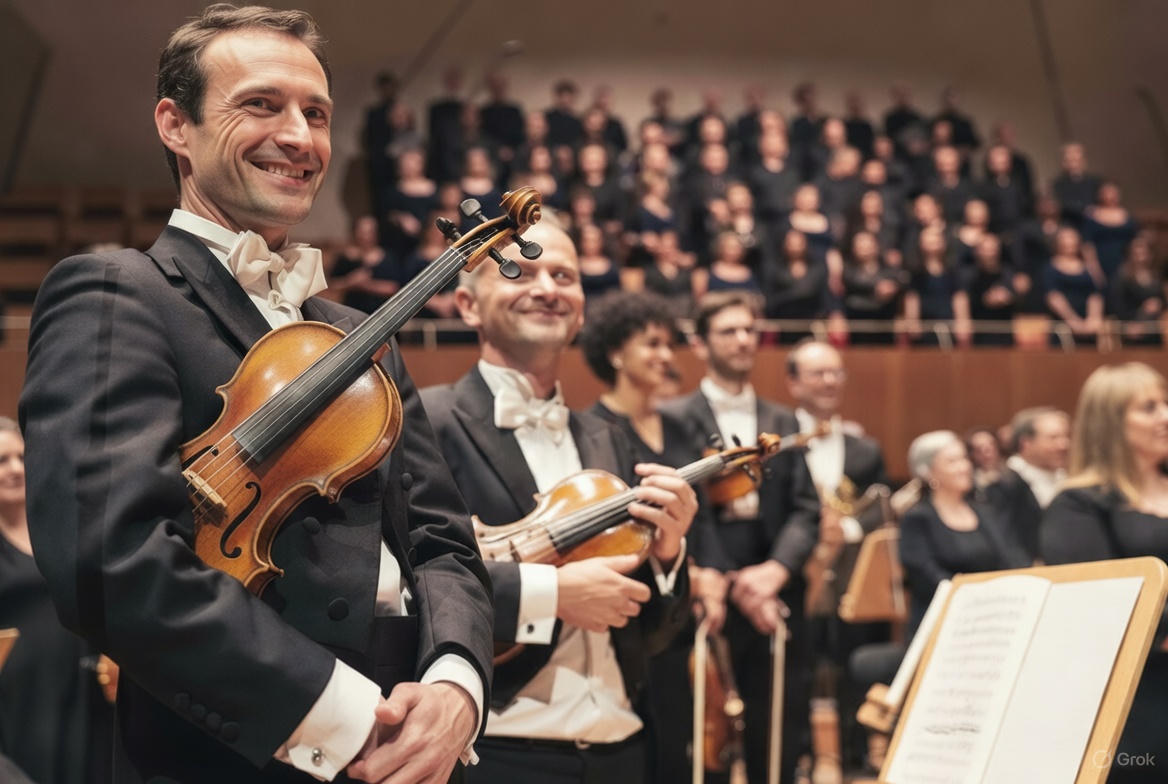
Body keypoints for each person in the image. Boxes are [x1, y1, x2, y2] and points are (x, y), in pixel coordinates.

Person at [19, 7, 492, 782]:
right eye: (261, 105)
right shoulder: (116, 290)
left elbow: (444, 544)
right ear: (176, 125)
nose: (301, 138)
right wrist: (339, 715)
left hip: (416, 745)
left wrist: (455, 684)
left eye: (316, 113)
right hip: (230, 748)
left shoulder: (357, 329)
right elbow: (112, 562)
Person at [419, 217, 698, 784]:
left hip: (624, 745)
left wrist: (669, 559)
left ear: (581, 310)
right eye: (519, 270)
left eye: (564, 275)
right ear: (469, 306)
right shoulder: (426, 419)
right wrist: (551, 594)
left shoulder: (606, 438)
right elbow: (409, 580)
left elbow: (656, 632)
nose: (547, 287)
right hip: (500, 749)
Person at [661, 291, 821, 784]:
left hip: (770, 590)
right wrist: (724, 579)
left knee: (776, 733)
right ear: (701, 345)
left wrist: (774, 572)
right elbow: (680, 509)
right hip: (705, 593)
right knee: (703, 737)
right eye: (728, 331)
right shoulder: (673, 417)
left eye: (749, 330)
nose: (743, 340)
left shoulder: (784, 419)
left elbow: (806, 509)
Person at [576, 291, 718, 784]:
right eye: (651, 343)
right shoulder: (590, 430)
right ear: (616, 353)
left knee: (680, 746)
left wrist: (709, 572)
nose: (665, 355)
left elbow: (707, 516)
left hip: (680, 607)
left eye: (668, 345)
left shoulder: (682, 426)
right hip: (628, 612)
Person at [1041, 362, 1168, 783]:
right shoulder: (1078, 506)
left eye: (1164, 403)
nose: (1165, 415)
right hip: (1139, 695)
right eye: (1149, 407)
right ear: (1111, 423)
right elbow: (1102, 610)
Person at [785, 340, 890, 778]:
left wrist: (844, 530)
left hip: (849, 579)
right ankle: (796, 759)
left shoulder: (865, 448)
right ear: (793, 383)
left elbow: (878, 511)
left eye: (836, 373)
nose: (829, 381)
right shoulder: (779, 441)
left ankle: (852, 759)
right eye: (818, 373)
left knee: (851, 670)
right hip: (795, 576)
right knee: (797, 674)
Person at [0, 417, 113, 784]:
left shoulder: (57, 522)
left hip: (84, 674)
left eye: (21, 457)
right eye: (1, 461)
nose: (16, 469)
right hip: (22, 692)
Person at [899, 431, 1029, 640]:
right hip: (942, 626)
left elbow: (1010, 557)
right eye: (952, 461)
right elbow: (929, 578)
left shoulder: (984, 511)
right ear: (928, 472)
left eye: (964, 459)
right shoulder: (918, 519)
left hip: (995, 618)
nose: (964, 467)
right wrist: (979, 600)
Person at [985, 407, 1069, 562]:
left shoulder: (1067, 476)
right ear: (1026, 443)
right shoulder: (1005, 483)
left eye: (1065, 436)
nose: (1063, 444)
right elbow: (1005, 542)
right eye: (1053, 438)